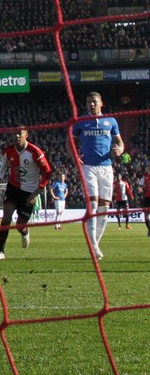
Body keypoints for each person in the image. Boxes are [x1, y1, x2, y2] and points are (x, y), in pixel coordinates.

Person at [70, 91, 124, 259]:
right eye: (88, 102)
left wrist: (120, 149)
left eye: (94, 102)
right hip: (89, 167)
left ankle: (94, 244)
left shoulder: (111, 121)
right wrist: (74, 155)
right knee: (92, 205)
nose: (91, 104)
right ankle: (94, 246)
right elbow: (69, 140)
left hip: (107, 167)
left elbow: (119, 142)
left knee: (104, 207)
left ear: (101, 103)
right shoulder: (80, 122)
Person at [0, 128, 52, 261]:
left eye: (19, 133)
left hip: (29, 192)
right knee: (6, 218)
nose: (16, 136)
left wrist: (37, 192)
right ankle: (1, 251)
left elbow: (47, 173)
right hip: (13, 188)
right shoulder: (8, 151)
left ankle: (25, 232)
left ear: (26, 135)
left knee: (20, 225)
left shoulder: (35, 152)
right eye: (14, 134)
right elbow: (1, 170)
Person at [141, 167, 150, 238]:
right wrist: (140, 188)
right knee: (146, 216)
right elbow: (141, 184)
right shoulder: (145, 176)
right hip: (147, 198)